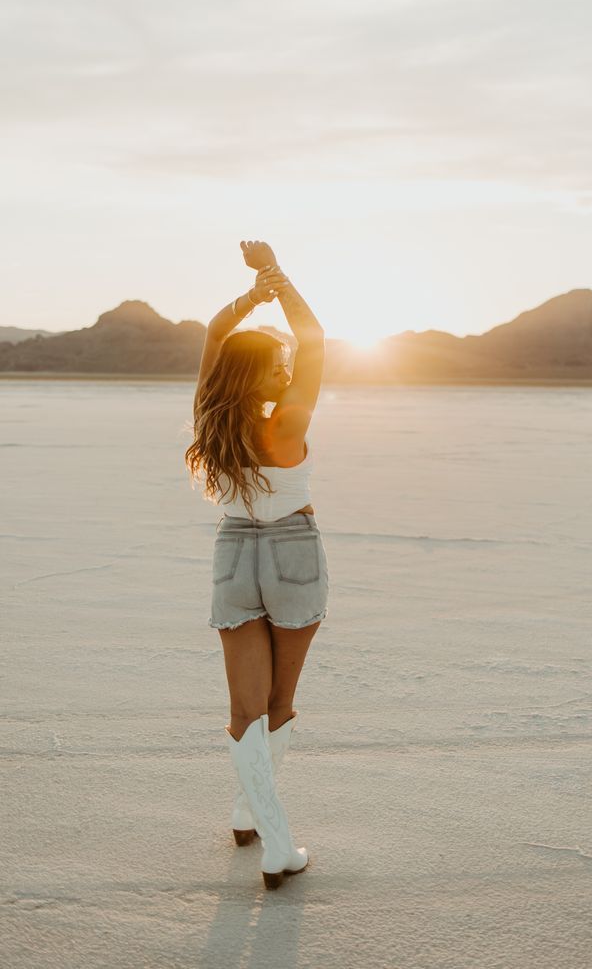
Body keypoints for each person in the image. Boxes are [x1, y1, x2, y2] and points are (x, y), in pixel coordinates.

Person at [184, 240, 328, 890]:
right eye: (277, 366)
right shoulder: (287, 424)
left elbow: (218, 333)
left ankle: (250, 813)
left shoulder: (214, 420)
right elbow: (316, 335)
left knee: (244, 706)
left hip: (234, 552)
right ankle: (278, 847)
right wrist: (274, 277)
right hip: (293, 552)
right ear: (257, 377)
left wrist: (250, 299)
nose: (286, 371)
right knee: (278, 702)